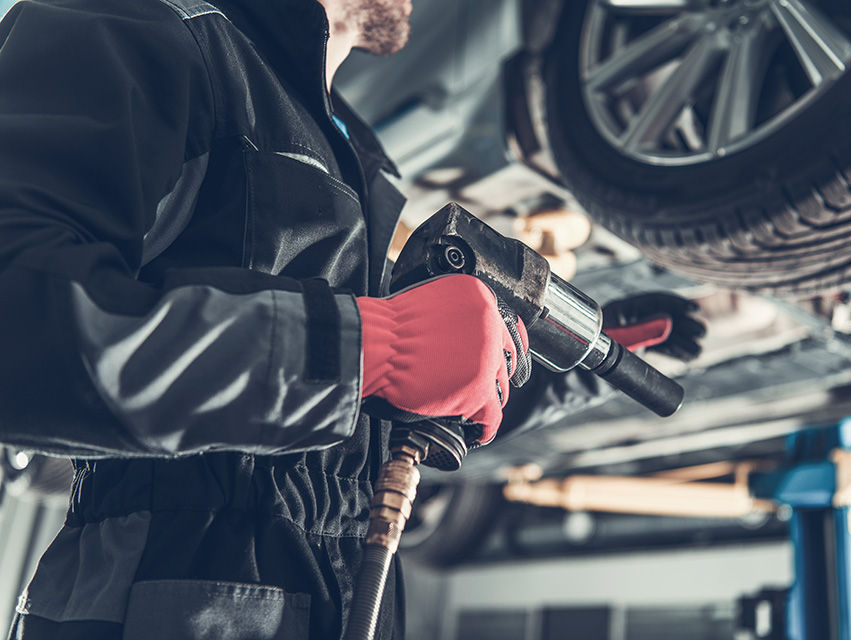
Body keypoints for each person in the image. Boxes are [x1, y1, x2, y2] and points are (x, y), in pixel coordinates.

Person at [0, 0, 704, 638]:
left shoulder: (352, 146)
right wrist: (376, 346)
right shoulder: (126, 24)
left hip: (339, 583)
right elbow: (18, 327)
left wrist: (570, 370)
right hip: (161, 589)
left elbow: (364, 427)